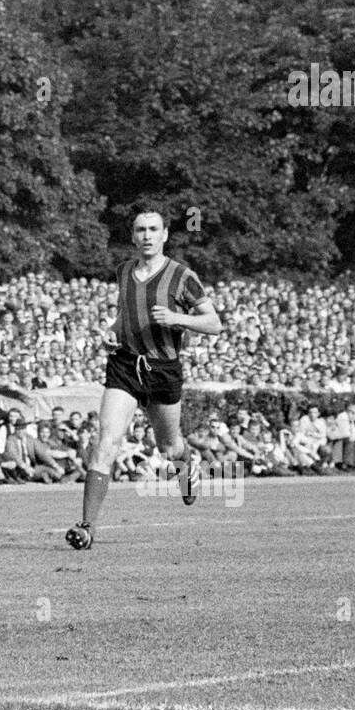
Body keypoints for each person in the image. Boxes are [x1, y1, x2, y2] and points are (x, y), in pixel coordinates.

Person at [67, 203, 222, 550]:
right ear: (133, 236)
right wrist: (112, 331)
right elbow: (124, 315)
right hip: (124, 364)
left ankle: (187, 465)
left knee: (169, 446)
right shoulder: (123, 271)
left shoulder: (182, 276)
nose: (147, 236)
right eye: (140, 230)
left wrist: (177, 319)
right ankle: (87, 526)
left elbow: (214, 323)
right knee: (106, 442)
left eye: (153, 230)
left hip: (163, 370)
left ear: (165, 235)